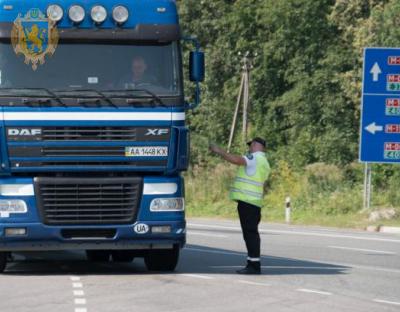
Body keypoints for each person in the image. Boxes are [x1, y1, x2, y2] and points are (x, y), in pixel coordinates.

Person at [209, 137, 271, 274]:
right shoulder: (265, 162)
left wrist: (219, 151)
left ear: (255, 145)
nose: (249, 148)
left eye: (250, 145)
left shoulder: (254, 157)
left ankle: (254, 266)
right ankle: (253, 263)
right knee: (251, 234)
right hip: (254, 202)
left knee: (250, 234)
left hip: (248, 202)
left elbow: (237, 160)